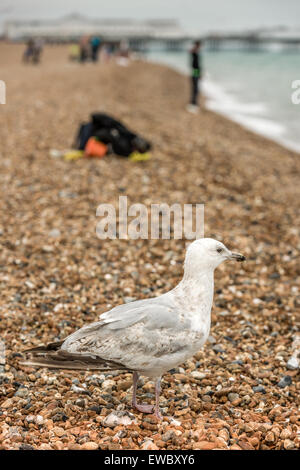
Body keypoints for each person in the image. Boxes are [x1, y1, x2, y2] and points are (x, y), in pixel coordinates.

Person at [187, 40, 202, 113]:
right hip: (195, 71)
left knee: (195, 88)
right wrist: (199, 74)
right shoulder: (194, 52)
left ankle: (194, 102)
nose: (200, 47)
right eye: (199, 45)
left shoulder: (195, 52)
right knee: (195, 88)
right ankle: (193, 103)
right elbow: (196, 66)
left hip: (195, 71)